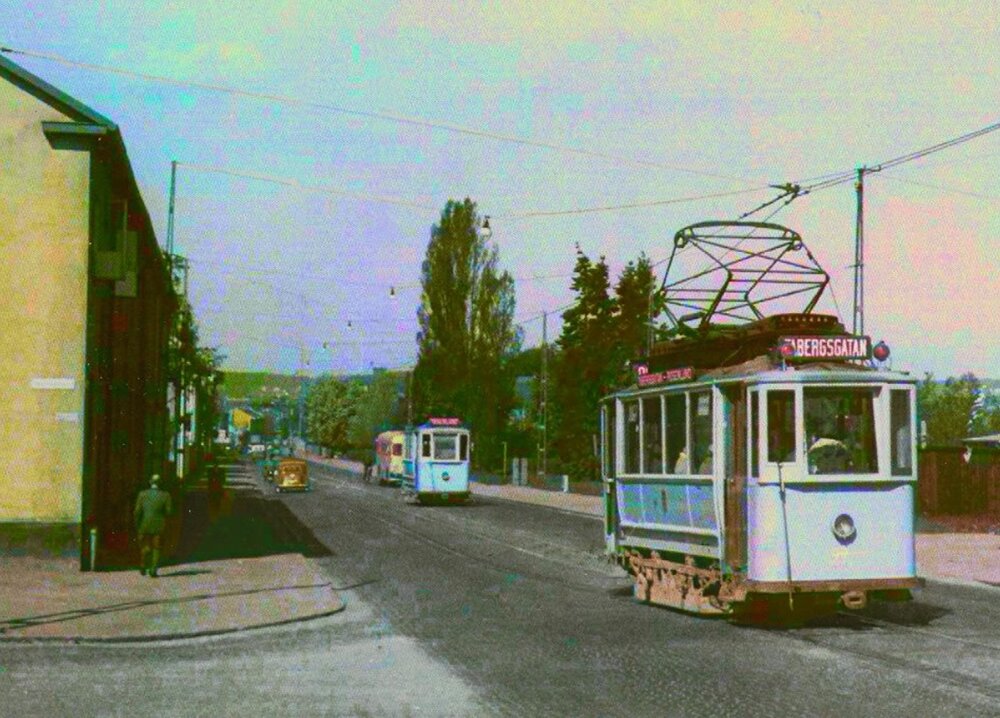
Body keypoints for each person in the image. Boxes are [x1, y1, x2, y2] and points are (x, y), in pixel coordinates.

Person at [134, 474, 172, 578]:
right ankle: (153, 570)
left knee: (145, 545)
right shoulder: (166, 495)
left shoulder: (142, 494)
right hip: (159, 524)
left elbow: (137, 511)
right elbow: (168, 512)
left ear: (150, 482)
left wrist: (137, 524)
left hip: (144, 524)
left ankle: (143, 564)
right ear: (160, 483)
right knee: (156, 547)